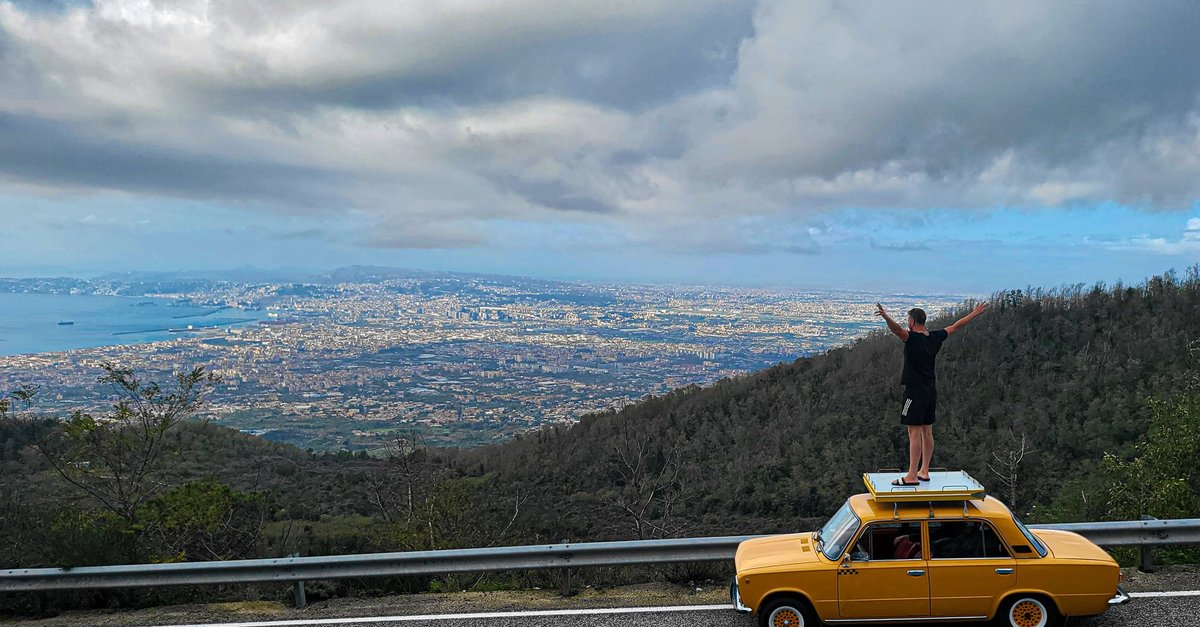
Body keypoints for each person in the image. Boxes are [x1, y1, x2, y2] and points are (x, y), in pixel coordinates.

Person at [875, 301, 987, 486]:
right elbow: (956, 326)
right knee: (927, 430)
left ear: (912, 322)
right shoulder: (934, 337)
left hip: (914, 390)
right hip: (930, 389)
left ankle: (911, 475)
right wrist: (974, 313)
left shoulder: (911, 338)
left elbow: (896, 330)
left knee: (913, 431)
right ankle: (924, 470)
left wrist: (886, 316)